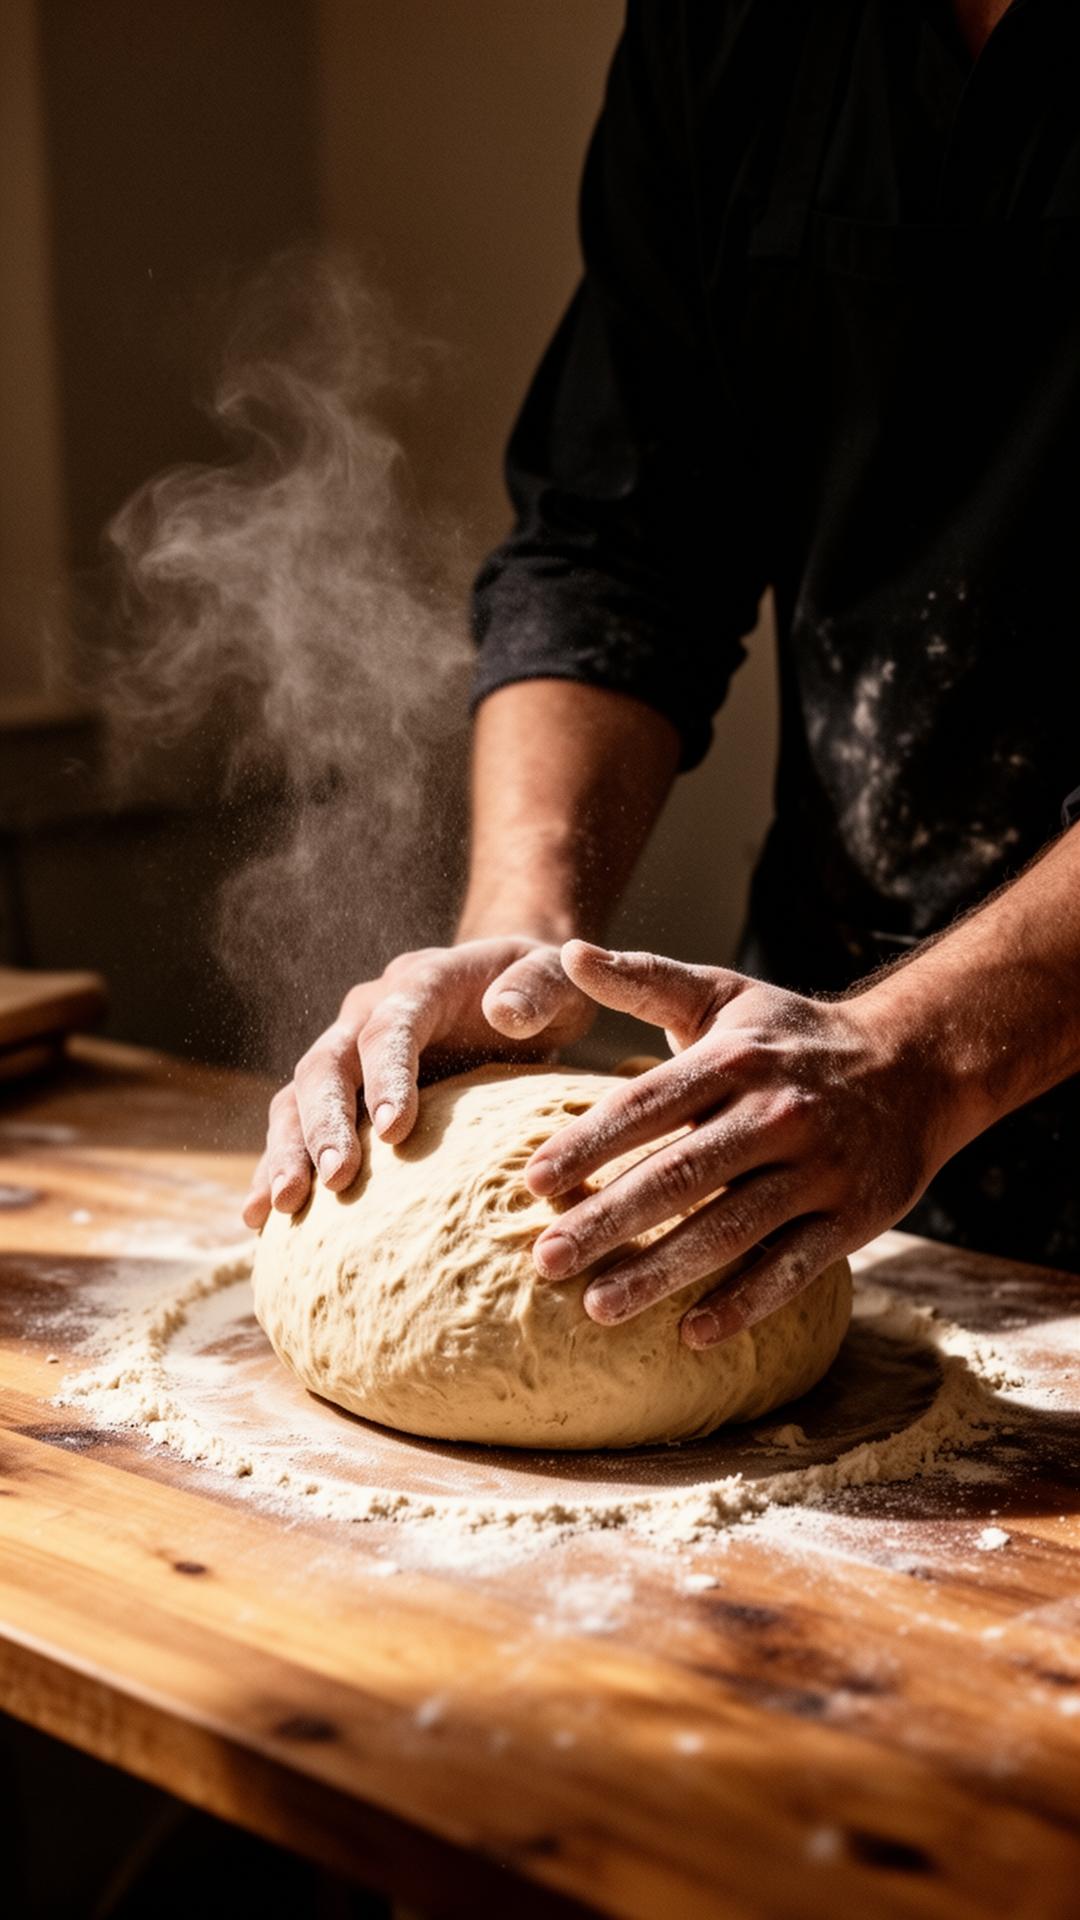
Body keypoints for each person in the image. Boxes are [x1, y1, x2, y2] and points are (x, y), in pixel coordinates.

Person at [245, 0, 1080, 1345]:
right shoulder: (735, 26)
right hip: (809, 1072)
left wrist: (924, 1057)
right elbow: (620, 537)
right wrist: (524, 948)